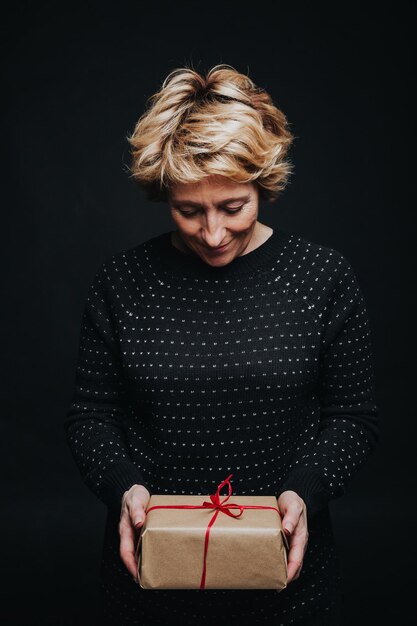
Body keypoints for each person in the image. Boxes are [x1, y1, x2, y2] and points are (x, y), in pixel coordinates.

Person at [64, 64, 379, 625]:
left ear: (264, 183)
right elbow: (91, 417)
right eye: (189, 211)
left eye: (233, 207)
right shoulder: (121, 284)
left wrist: (305, 492)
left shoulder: (322, 279)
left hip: (288, 585)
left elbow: (354, 418)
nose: (212, 234)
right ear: (164, 196)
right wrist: (123, 486)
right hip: (150, 582)